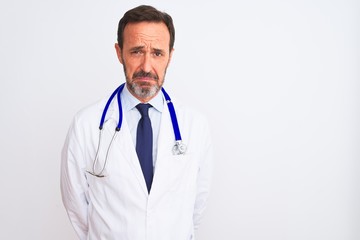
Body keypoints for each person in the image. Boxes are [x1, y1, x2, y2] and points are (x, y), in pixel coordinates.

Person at [60, 5, 213, 240]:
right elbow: (77, 207)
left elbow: (196, 207)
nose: (146, 66)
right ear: (119, 52)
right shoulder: (86, 125)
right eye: (136, 51)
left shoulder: (195, 126)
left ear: (170, 56)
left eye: (157, 53)